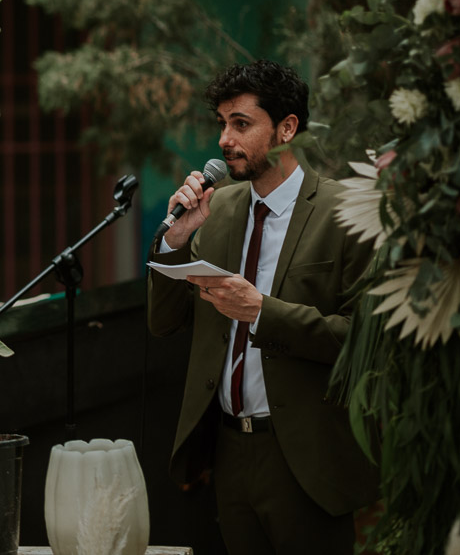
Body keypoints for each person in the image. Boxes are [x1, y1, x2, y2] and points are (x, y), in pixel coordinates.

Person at [147, 60, 379, 555]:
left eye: (241, 124)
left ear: (287, 128)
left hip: (305, 457)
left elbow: (366, 341)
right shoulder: (219, 210)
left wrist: (262, 311)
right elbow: (163, 323)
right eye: (222, 124)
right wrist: (176, 240)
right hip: (228, 453)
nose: (224, 139)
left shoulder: (345, 212)